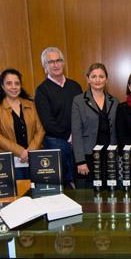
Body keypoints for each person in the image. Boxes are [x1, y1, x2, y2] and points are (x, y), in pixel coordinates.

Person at [34, 47, 83, 187]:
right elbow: (47, 121)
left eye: (58, 60)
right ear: (45, 66)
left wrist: (76, 136)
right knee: (63, 181)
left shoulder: (75, 86)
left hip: (77, 139)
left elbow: (81, 114)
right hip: (56, 141)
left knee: (81, 177)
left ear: (63, 63)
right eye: (51, 62)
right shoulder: (42, 90)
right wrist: (69, 137)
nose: (55, 65)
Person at [0, 68, 46, 179]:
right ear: (2, 86)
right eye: (9, 83)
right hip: (10, 161)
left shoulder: (30, 104)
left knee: (35, 192)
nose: (13, 87)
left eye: (17, 83)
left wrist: (30, 151)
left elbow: (40, 130)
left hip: (33, 158)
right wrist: (20, 152)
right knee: (18, 194)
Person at [71, 63, 118, 184]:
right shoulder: (79, 101)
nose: (98, 80)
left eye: (101, 76)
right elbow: (76, 132)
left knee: (109, 192)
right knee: (89, 195)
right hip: (88, 156)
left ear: (106, 79)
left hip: (109, 156)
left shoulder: (114, 101)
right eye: (94, 76)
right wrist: (80, 161)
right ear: (88, 79)